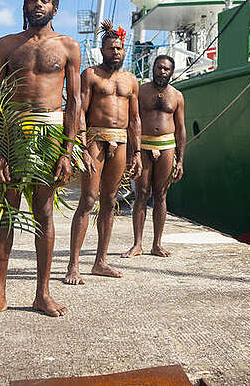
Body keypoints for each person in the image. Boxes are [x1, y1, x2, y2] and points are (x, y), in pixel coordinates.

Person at [0, 0, 80, 321]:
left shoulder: (68, 47)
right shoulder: (6, 45)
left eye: (44, 0)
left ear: (55, 8)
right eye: (32, 0)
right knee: (6, 212)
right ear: (24, 5)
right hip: (13, 132)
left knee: (43, 212)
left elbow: (75, 101)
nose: (37, 5)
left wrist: (68, 149)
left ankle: (42, 294)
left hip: (49, 132)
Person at [65, 22, 140, 285]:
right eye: (111, 48)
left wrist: (137, 152)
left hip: (120, 141)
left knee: (109, 202)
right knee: (87, 200)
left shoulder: (131, 80)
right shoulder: (91, 75)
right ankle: (73, 264)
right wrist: (81, 145)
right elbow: (79, 111)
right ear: (102, 50)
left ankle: (100, 261)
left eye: (119, 48)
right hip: (96, 139)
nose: (116, 52)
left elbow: (135, 119)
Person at [123, 55, 185, 259]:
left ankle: (157, 244)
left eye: (166, 69)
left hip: (167, 145)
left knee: (161, 195)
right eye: (159, 67)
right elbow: (131, 121)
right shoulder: (141, 91)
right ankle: (137, 244)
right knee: (141, 193)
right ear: (153, 68)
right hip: (144, 144)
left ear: (171, 72)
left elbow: (181, 129)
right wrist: (132, 153)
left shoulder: (177, 96)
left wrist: (181, 160)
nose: (162, 72)